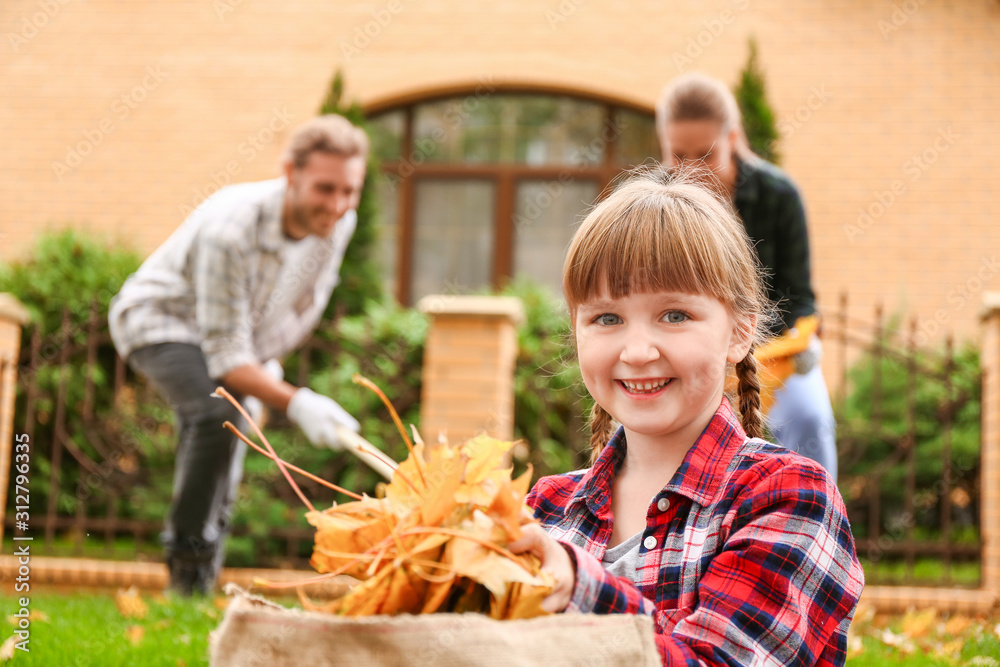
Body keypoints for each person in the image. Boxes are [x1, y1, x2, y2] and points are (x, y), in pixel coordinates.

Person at [509, 169, 864, 665]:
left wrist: (577, 587)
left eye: (674, 315)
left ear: (740, 332)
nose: (635, 351)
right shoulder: (543, 510)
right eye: (606, 318)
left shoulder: (791, 498)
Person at [109, 114, 369, 595]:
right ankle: (187, 574)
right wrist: (293, 400)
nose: (337, 205)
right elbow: (225, 356)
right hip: (159, 322)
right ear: (290, 173)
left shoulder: (340, 222)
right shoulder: (230, 231)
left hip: (233, 341)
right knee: (216, 413)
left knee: (235, 425)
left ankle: (204, 573)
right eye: (325, 188)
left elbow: (304, 307)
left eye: (349, 191)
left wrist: (261, 368)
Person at [655, 72, 838, 479]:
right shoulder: (652, 201)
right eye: (678, 155)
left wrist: (783, 348)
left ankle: (818, 522)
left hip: (775, 355)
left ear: (733, 139)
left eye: (705, 154)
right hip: (684, 356)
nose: (691, 170)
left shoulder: (779, 195)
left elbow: (799, 296)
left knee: (811, 419)